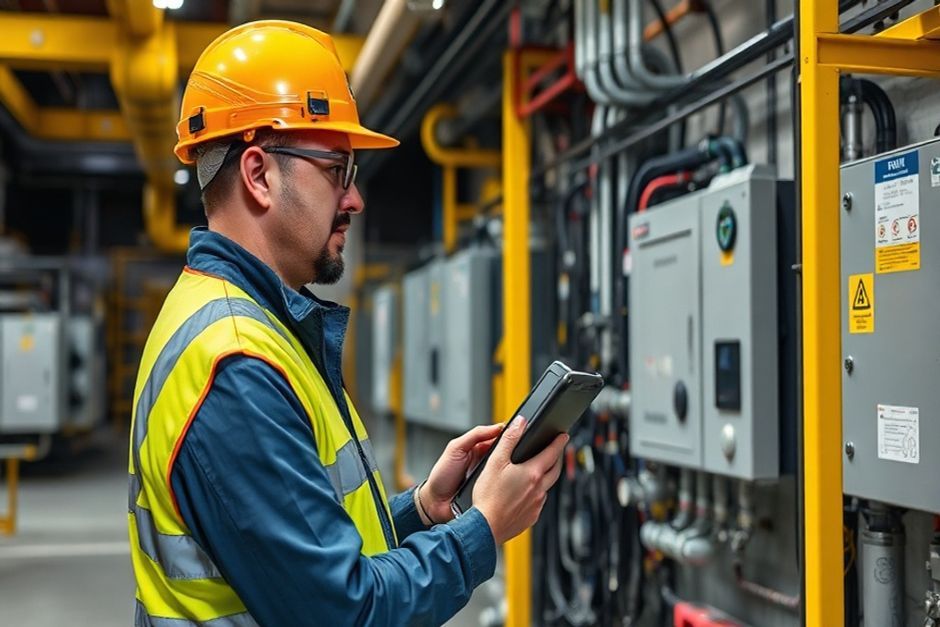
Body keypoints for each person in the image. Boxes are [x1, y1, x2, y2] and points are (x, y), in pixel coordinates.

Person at [127, 19, 567, 627]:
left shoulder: (248, 326)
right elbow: (346, 612)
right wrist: (483, 529)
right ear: (258, 175)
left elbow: (301, 546)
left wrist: (419, 508)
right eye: (338, 170)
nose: (355, 198)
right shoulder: (233, 365)